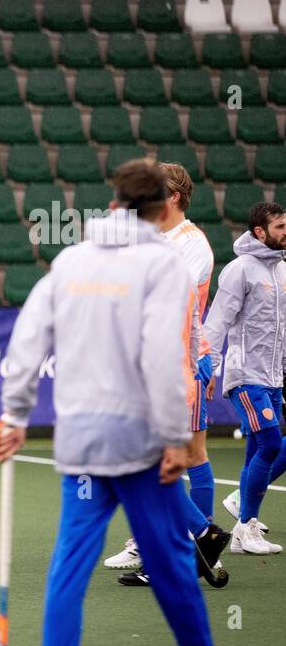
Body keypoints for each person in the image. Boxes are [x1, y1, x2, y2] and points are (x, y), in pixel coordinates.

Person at [0, 160, 267, 646]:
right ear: (164, 207)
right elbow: (162, 357)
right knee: (171, 568)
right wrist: (173, 437)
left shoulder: (72, 260)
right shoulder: (161, 264)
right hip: (140, 443)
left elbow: (27, 339)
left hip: (81, 440)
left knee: (69, 569)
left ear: (113, 202)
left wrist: (13, 415)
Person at [104, 162, 232, 584]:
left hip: (179, 363)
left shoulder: (190, 244)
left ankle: (193, 539)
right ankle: (197, 539)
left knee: (173, 459)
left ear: (173, 196)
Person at [202, 201, 286, 555]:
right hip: (245, 374)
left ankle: (242, 518)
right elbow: (217, 320)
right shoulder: (239, 270)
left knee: (258, 448)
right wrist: (208, 364)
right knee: (270, 444)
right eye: (280, 227)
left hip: (273, 376)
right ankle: (245, 527)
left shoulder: (282, 271)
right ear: (259, 232)